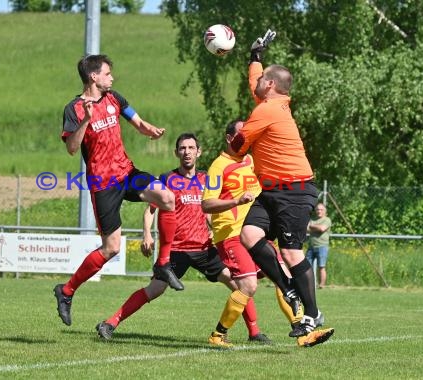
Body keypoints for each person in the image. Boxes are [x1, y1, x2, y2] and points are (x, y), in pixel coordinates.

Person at [95, 133, 271, 344]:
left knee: (240, 284)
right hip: (176, 250)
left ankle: (254, 332)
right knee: (155, 289)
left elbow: (212, 208)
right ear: (176, 152)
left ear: (199, 152)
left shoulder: (207, 179)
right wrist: (147, 234)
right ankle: (110, 323)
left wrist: (217, 228)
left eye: (191, 148)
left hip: (205, 248)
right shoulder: (167, 179)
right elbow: (151, 210)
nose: (186, 152)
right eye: (182, 148)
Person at [53, 54, 183, 327]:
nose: (112, 77)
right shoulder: (74, 109)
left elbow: (138, 122)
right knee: (111, 248)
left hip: (127, 173)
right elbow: (72, 148)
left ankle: (163, 263)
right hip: (103, 185)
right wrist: (86, 120)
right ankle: (66, 291)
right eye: (108, 73)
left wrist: (151, 130)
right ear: (93, 77)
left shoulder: (115, 98)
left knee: (168, 198)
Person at [230, 30, 335, 347]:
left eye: (263, 80)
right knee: (249, 236)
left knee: (290, 251)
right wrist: (254, 57)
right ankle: (289, 289)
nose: (257, 83)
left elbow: (237, 146)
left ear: (271, 86)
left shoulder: (267, 111)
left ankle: (313, 314)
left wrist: (235, 147)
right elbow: (255, 82)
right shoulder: (270, 102)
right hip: (273, 190)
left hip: (294, 190)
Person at [202, 120, 308, 347]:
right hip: (230, 234)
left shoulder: (252, 160)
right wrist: (236, 201)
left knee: (284, 277)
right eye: (242, 136)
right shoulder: (218, 166)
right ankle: (218, 335)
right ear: (229, 138)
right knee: (249, 286)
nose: (247, 140)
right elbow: (207, 204)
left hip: (255, 233)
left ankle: (302, 331)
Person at [307, 203, 332, 289]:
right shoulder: (313, 219)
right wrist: (315, 227)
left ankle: (321, 285)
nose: (319, 211)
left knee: (321, 266)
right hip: (311, 246)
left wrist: (312, 227)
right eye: (317, 209)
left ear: (325, 211)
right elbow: (307, 229)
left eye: (321, 209)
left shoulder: (327, 220)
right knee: (307, 266)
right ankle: (309, 284)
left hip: (322, 246)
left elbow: (322, 228)